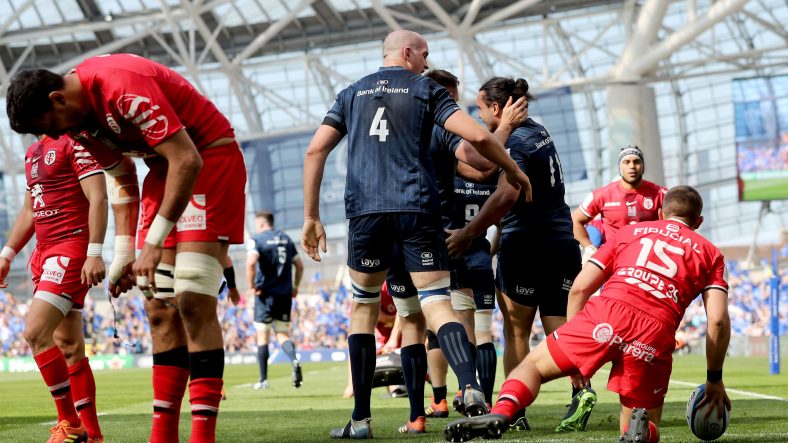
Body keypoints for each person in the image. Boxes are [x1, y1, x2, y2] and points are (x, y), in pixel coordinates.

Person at [301, 30, 532, 439]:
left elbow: (316, 150)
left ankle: (359, 421)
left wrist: (311, 216)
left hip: (366, 214)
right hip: (417, 212)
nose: (427, 63)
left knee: (364, 310)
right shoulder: (426, 89)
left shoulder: (351, 92)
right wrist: (513, 170)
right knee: (437, 306)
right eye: (424, 54)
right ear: (407, 53)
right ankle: (473, 388)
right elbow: (478, 137)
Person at [6, 53, 247, 443]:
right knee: (157, 309)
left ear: (57, 99)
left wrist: (150, 244)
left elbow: (187, 157)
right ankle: (162, 436)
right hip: (161, 170)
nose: (52, 137)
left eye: (49, 127)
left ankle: (203, 436)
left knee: (191, 298)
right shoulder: (80, 125)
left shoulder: (120, 87)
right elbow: (121, 174)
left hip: (210, 159)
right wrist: (123, 253)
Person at [443, 186, 732, 443]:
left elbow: (580, 288)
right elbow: (717, 320)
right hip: (655, 331)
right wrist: (714, 379)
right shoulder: (711, 254)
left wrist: (577, 352)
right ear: (699, 222)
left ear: (660, 211)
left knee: (531, 366)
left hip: (606, 314)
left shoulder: (629, 233)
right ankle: (640, 432)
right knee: (640, 417)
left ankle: (503, 412)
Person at [446, 76, 593, 432]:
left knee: (516, 332)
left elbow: (507, 195)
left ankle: (515, 410)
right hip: (561, 242)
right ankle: (581, 393)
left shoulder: (516, 144)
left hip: (526, 246)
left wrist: (469, 233)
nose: (478, 118)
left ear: (497, 108)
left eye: (480, 110)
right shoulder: (539, 130)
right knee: (562, 329)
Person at [0, 135, 107, 443]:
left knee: (35, 332)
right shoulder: (33, 152)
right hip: (44, 252)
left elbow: (98, 196)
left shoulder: (73, 142)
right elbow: (31, 209)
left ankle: (70, 423)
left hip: (70, 248)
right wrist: (7, 254)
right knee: (70, 346)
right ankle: (93, 435)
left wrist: (95, 252)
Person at [572, 145, 667, 263]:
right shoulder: (602, 194)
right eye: (626, 162)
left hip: (649, 261)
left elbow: (680, 222)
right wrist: (589, 248)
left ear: (643, 166)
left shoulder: (661, 194)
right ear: (620, 167)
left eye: (636, 162)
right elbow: (575, 220)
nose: (632, 166)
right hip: (615, 262)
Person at [246, 211, 304, 390]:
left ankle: (263, 380)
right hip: (284, 294)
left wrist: (251, 286)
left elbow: (250, 263)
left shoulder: (257, 240)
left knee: (263, 336)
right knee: (282, 333)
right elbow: (299, 265)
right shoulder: (286, 239)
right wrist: (295, 286)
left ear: (262, 224)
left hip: (264, 295)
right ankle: (294, 360)